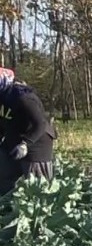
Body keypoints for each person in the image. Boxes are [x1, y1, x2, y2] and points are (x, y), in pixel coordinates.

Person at [0, 67, 56, 195]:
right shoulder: (2, 98)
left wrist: (25, 144)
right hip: (12, 141)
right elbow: (3, 122)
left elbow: (40, 124)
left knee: (36, 187)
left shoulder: (24, 98)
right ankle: (7, 209)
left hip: (36, 143)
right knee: (3, 178)